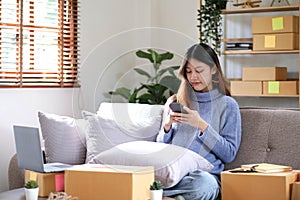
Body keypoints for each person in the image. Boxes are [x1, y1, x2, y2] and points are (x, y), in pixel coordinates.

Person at [156, 43, 242, 200]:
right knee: (144, 178)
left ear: (213, 69)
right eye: (189, 72)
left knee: (203, 185)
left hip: (203, 176)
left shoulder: (228, 105)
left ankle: (160, 196)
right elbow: (161, 148)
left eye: (199, 71)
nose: (193, 77)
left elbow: (229, 154)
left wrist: (201, 125)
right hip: (173, 174)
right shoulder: (176, 101)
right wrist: (167, 126)